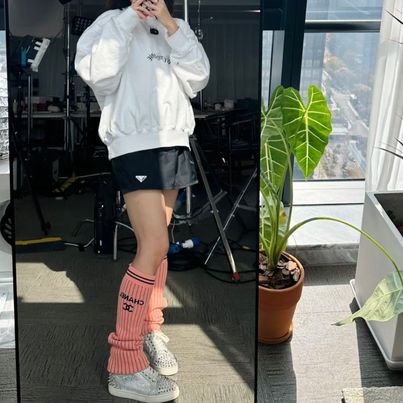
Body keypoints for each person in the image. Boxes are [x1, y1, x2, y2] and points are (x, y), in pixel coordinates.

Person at [75, 0, 210, 401]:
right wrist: (129, 18)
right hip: (135, 143)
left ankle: (150, 327)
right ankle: (124, 362)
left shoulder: (174, 25)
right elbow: (98, 76)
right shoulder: (110, 23)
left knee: (159, 244)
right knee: (154, 244)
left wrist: (170, 24)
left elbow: (198, 77)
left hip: (173, 141)